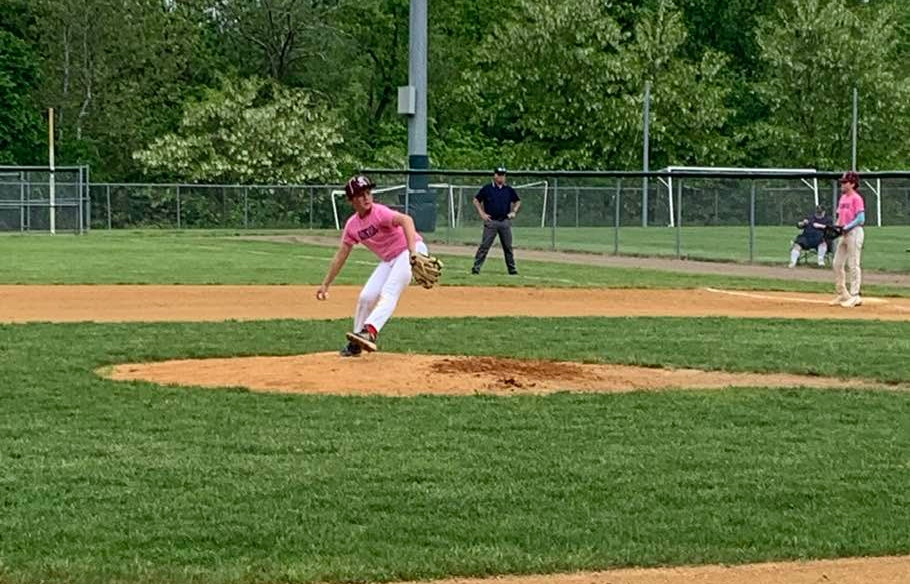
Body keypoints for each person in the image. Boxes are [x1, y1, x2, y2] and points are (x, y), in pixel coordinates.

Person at [316, 175, 428, 356]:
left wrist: (413, 252)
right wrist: (326, 284)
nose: (366, 197)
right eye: (360, 194)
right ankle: (356, 344)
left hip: (410, 250)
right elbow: (341, 255)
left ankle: (370, 332)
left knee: (389, 291)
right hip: (390, 259)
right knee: (366, 297)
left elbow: (406, 220)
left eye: (368, 192)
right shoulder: (352, 226)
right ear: (351, 200)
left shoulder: (379, 212)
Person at [471, 166, 521, 275]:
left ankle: (512, 269)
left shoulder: (508, 189)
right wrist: (482, 213)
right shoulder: (488, 189)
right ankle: (476, 267)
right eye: (499, 175)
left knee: (508, 247)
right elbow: (476, 200)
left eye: (503, 175)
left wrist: (514, 212)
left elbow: (517, 201)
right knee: (485, 246)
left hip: (504, 221)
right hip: (491, 221)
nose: (501, 177)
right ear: (495, 176)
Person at [829, 171, 866, 308]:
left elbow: (861, 219)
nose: (842, 184)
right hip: (844, 234)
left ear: (852, 184)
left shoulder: (857, 198)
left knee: (853, 264)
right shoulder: (843, 198)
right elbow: (839, 217)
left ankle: (855, 295)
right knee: (837, 264)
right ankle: (843, 293)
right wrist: (837, 228)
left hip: (854, 233)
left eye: (845, 182)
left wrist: (846, 227)